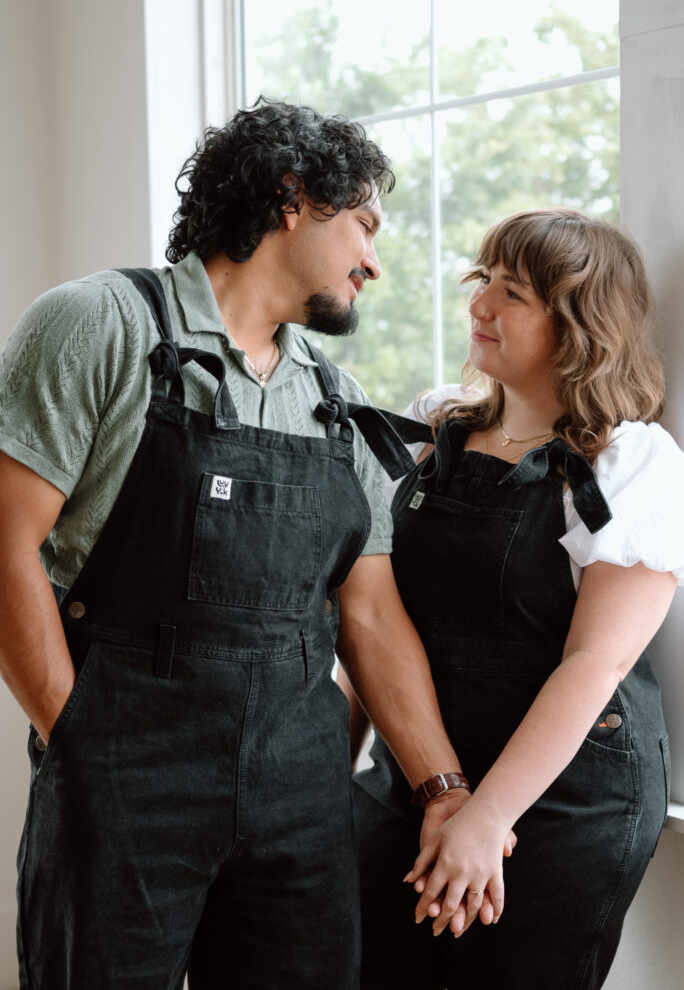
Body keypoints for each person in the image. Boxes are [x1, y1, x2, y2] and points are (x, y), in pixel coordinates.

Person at [0, 98, 471, 990]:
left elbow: (369, 612)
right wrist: (78, 743)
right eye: (364, 224)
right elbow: (2, 548)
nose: (374, 260)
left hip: (302, 793)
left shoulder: (336, 398)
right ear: (291, 196)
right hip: (122, 772)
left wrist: (442, 789)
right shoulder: (101, 324)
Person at [346, 208, 684, 989]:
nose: (479, 307)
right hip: (419, 776)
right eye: (481, 282)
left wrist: (487, 819)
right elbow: (373, 618)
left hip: (565, 800)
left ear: (579, 325)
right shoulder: (436, 430)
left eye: (512, 293)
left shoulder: (628, 463)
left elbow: (595, 663)